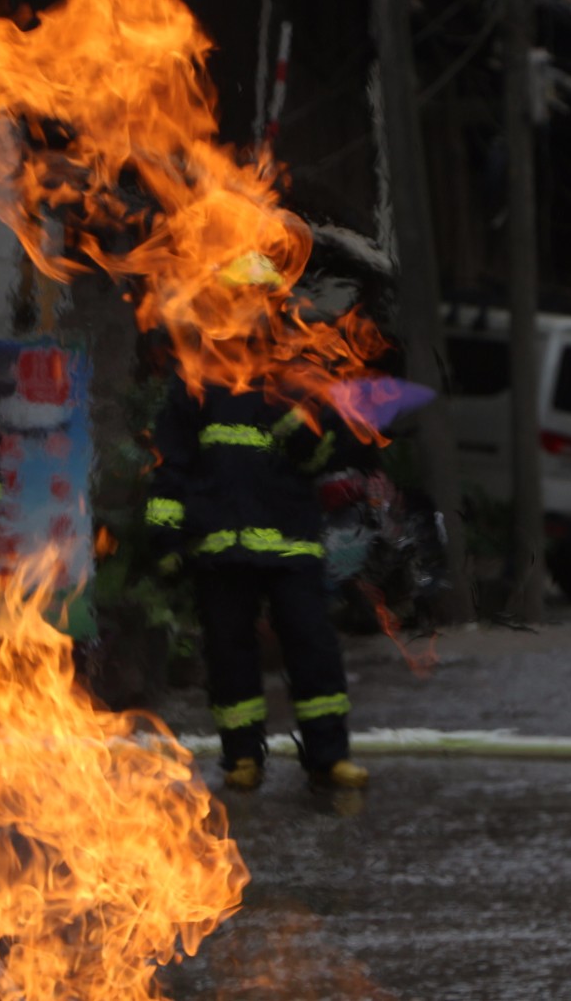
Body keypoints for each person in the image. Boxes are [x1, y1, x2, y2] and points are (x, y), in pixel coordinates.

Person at [145, 254, 367, 793]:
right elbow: (170, 465)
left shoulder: (298, 377)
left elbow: (323, 461)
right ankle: (242, 758)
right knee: (228, 656)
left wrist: (298, 424)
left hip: (290, 546)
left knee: (312, 649)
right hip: (219, 547)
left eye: (259, 303)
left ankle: (328, 756)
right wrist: (167, 539)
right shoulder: (195, 382)